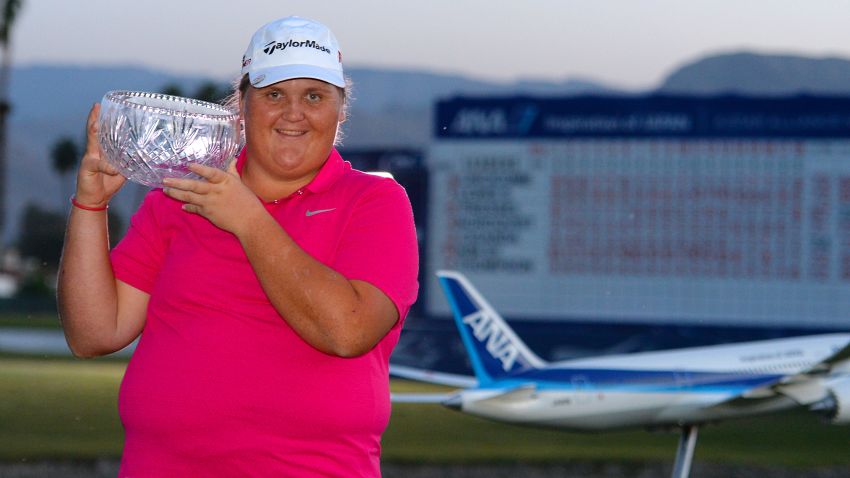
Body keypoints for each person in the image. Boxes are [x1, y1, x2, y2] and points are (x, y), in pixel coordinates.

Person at [57, 16, 419, 477]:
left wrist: (248, 219)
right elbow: (93, 334)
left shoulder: (375, 202)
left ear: (339, 109)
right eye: (273, 95)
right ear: (241, 106)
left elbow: (347, 332)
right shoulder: (177, 198)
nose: (294, 113)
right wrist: (90, 206)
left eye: (314, 95)